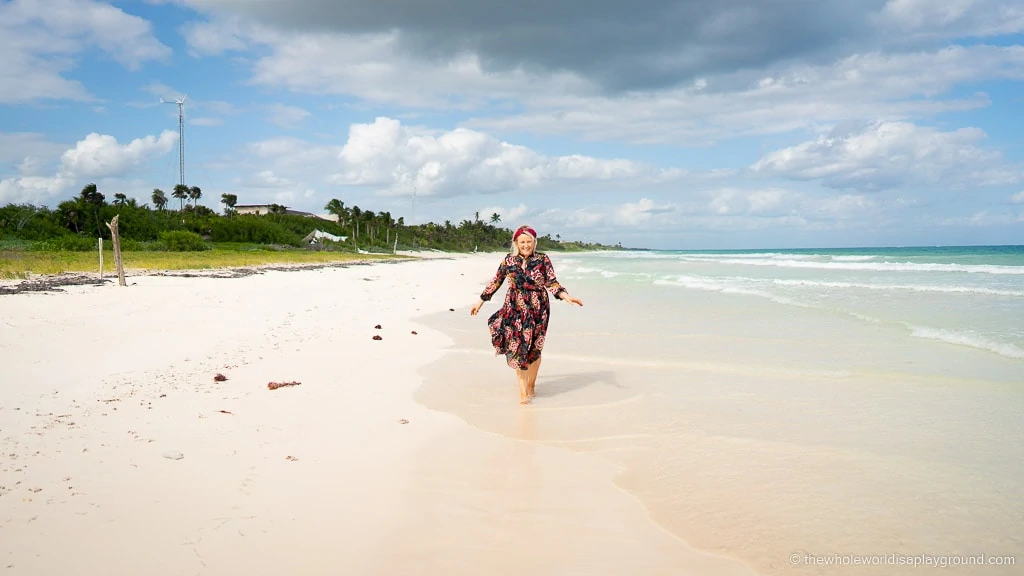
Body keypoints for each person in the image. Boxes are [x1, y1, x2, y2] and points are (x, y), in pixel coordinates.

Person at [470, 225, 583, 404]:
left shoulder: (543, 259)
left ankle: (532, 385)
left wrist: (566, 296)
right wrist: (480, 301)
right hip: (515, 307)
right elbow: (496, 281)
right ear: (516, 243)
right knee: (519, 347)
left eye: (529, 241)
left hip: (539, 309)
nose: (526, 245)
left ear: (534, 242)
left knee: (535, 349)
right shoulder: (508, 261)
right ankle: (523, 393)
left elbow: (552, 282)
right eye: (522, 242)